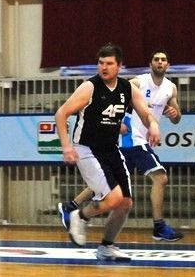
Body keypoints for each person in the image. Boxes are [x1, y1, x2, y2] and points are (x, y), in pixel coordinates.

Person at [57, 49, 183, 242]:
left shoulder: (143, 88)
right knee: (127, 191)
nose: (104, 67)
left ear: (119, 66)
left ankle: (105, 244)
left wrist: (155, 124)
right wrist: (66, 147)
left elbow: (150, 114)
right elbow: (61, 114)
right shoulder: (95, 86)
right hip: (100, 145)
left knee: (123, 201)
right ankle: (79, 216)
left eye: (109, 63)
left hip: (113, 148)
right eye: (101, 63)